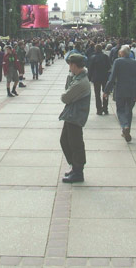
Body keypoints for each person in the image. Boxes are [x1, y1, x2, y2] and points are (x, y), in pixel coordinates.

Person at [59, 54, 91, 183]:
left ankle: (78, 171)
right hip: (72, 114)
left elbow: (65, 97)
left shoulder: (80, 82)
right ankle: (75, 166)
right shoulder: (78, 77)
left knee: (75, 143)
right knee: (65, 141)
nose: (69, 68)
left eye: (70, 65)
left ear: (74, 65)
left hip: (76, 115)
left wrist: (69, 78)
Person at [104, 45, 136, 142]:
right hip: (132, 90)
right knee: (129, 111)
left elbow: (112, 77)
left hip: (120, 89)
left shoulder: (118, 61)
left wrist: (107, 90)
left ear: (122, 53)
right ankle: (127, 129)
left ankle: (125, 126)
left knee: (120, 110)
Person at [88, 44, 111, 115]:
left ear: (95, 49)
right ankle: (105, 108)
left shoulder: (93, 57)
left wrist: (89, 78)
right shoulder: (105, 57)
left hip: (96, 78)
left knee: (97, 94)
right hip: (104, 77)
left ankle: (99, 110)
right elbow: (108, 67)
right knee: (105, 92)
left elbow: (90, 69)